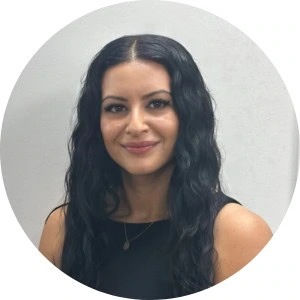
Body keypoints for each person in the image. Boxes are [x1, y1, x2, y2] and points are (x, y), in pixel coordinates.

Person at [39, 34, 272, 299]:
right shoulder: (63, 228)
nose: (136, 126)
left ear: (188, 113)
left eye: (157, 103)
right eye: (116, 107)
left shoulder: (239, 233)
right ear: (97, 122)